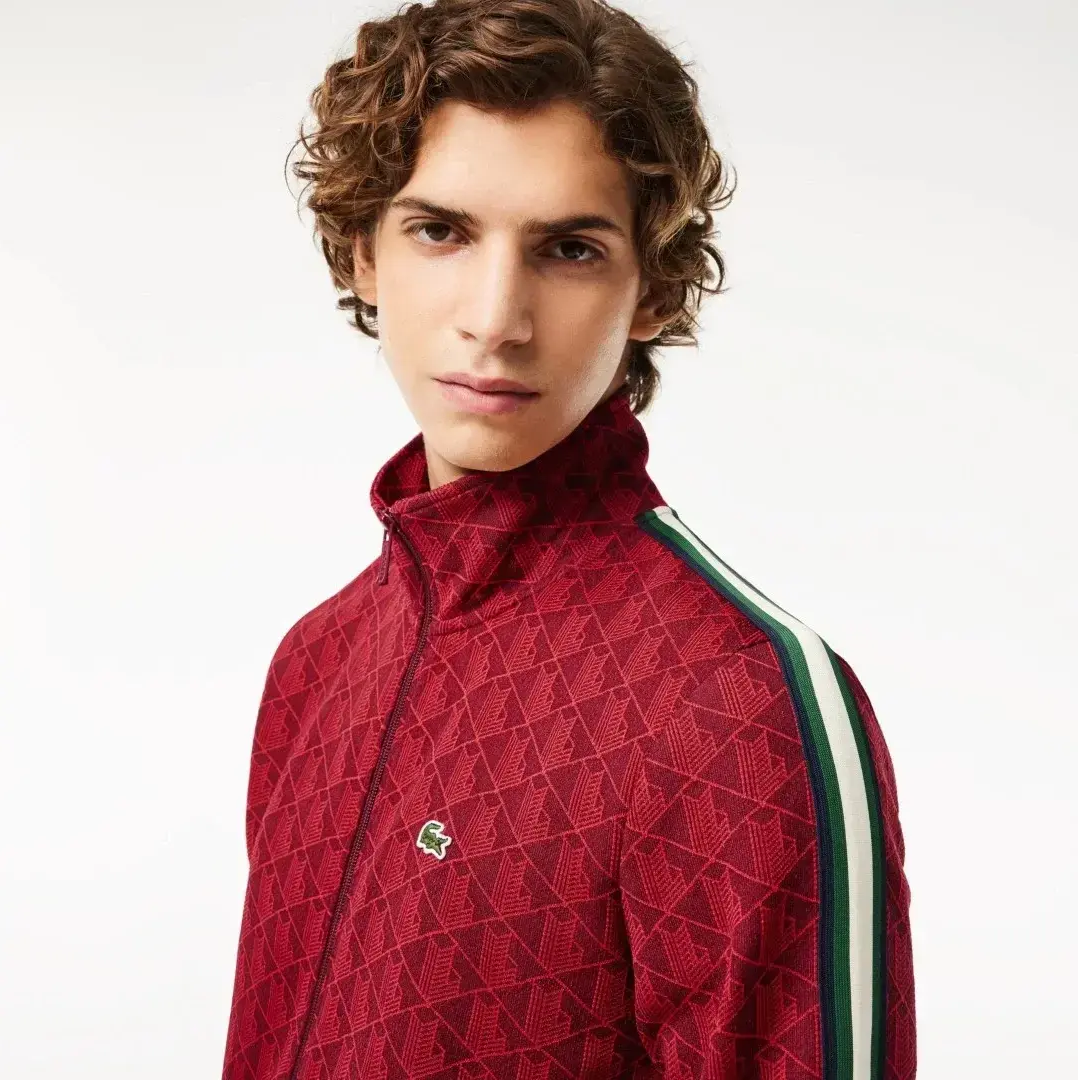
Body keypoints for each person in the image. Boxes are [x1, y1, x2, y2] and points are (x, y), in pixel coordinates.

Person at [221, 1, 916, 1077]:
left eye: (569, 249)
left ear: (652, 290)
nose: (496, 318)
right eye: (441, 231)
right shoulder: (316, 663)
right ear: (363, 253)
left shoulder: (735, 704)